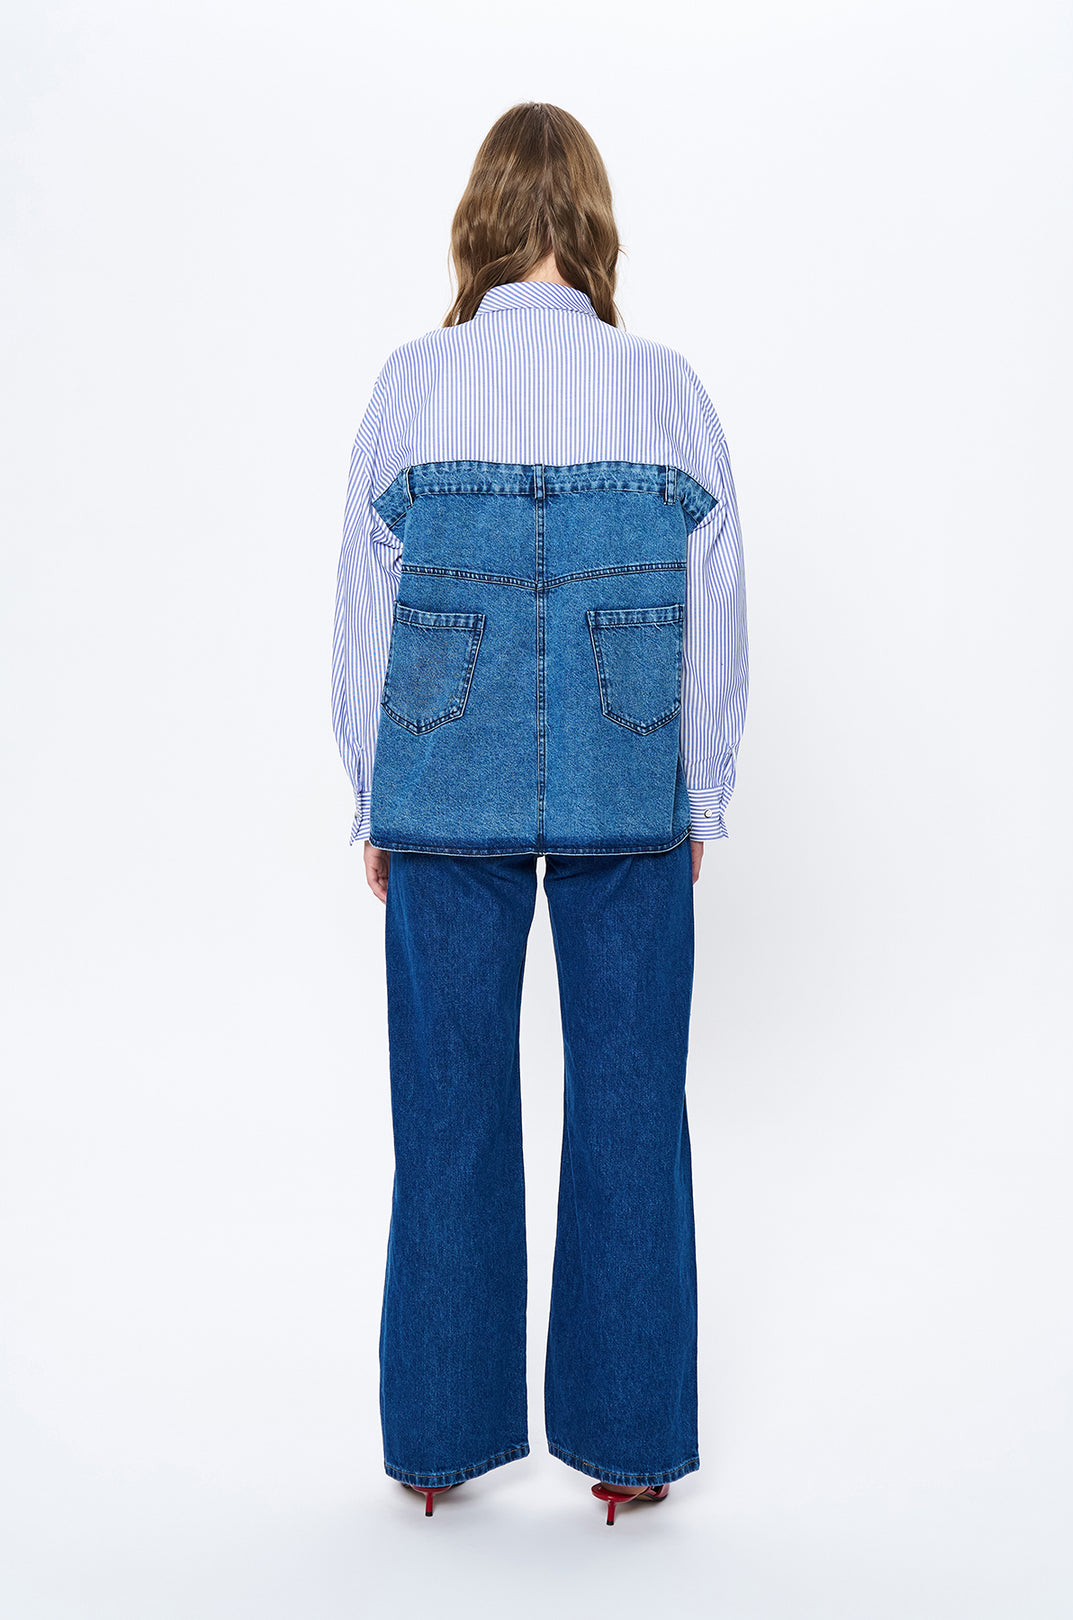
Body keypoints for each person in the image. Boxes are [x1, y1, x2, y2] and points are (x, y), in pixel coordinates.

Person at [331, 102, 749, 1525]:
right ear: (593, 222)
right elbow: (718, 607)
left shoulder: (411, 382)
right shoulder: (665, 386)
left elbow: (365, 603)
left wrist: (370, 790)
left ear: (481, 221)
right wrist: (700, 784)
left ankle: (435, 1447)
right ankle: (629, 1450)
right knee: (632, 1100)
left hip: (439, 765)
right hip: (631, 768)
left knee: (445, 1104)